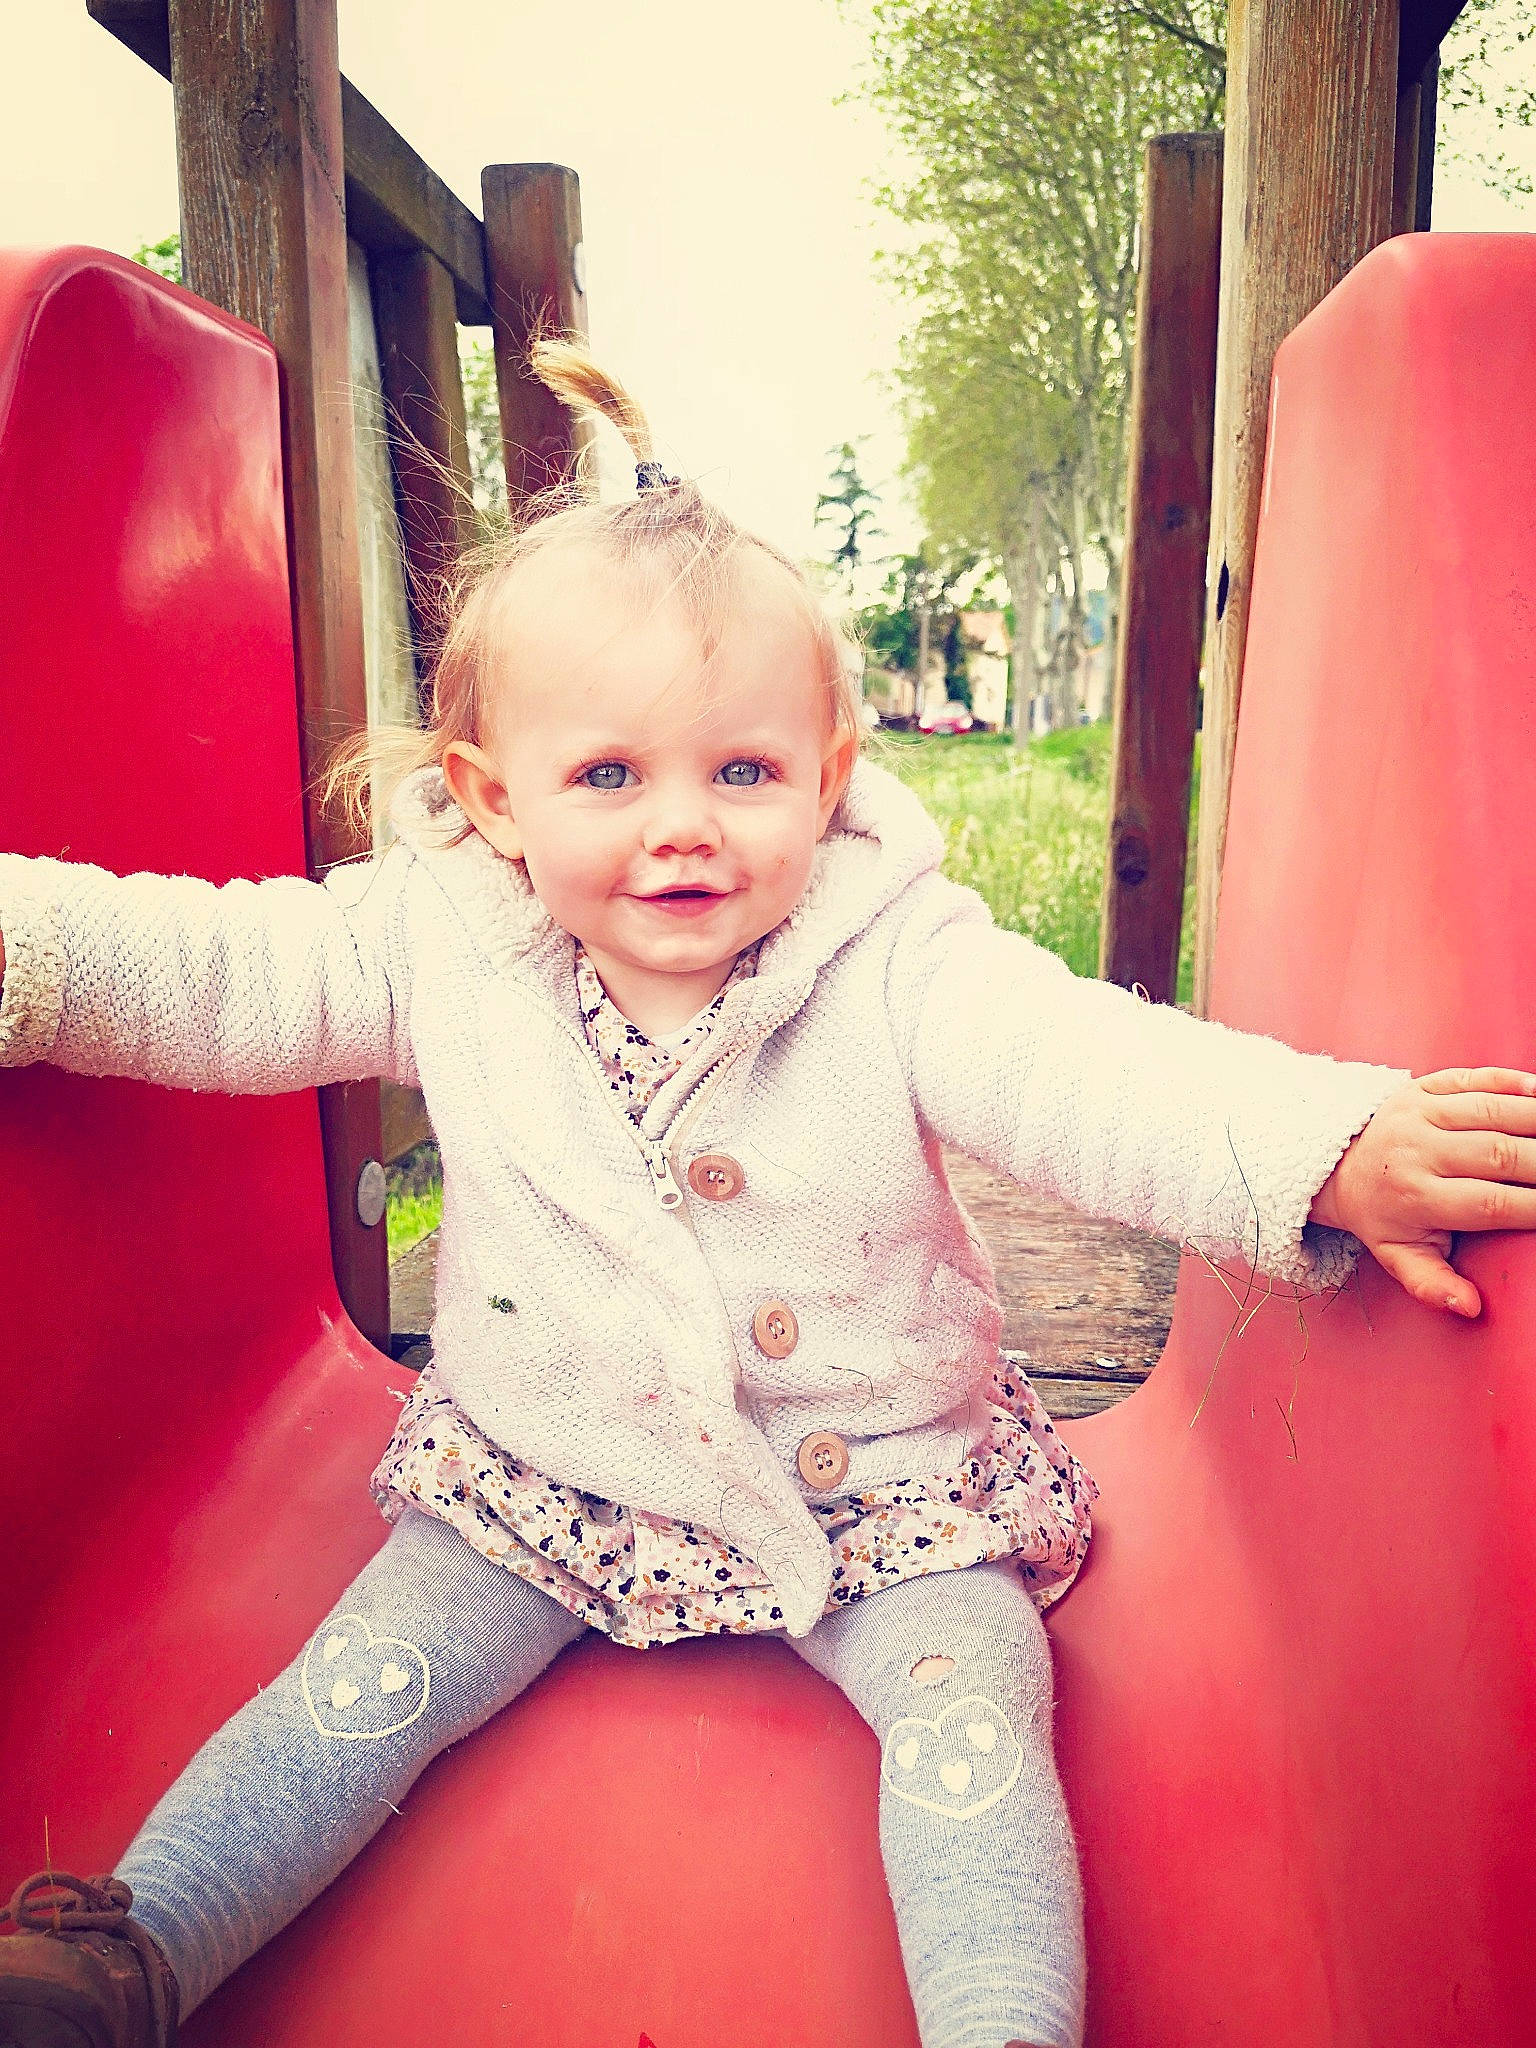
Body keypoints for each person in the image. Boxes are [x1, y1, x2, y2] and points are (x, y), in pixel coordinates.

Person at [2, 341, 1534, 2048]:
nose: (685, 832)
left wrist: (1323, 1142)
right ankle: (122, 1956)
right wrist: (29, 954)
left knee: (976, 1735)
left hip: (886, 1487)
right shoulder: (438, 938)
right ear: (494, 798)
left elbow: (1090, 1069)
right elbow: (210, 970)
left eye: (742, 773)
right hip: (548, 1469)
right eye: (609, 778)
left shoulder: (893, 956)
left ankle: (1005, 2027)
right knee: (362, 1693)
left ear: (830, 769)